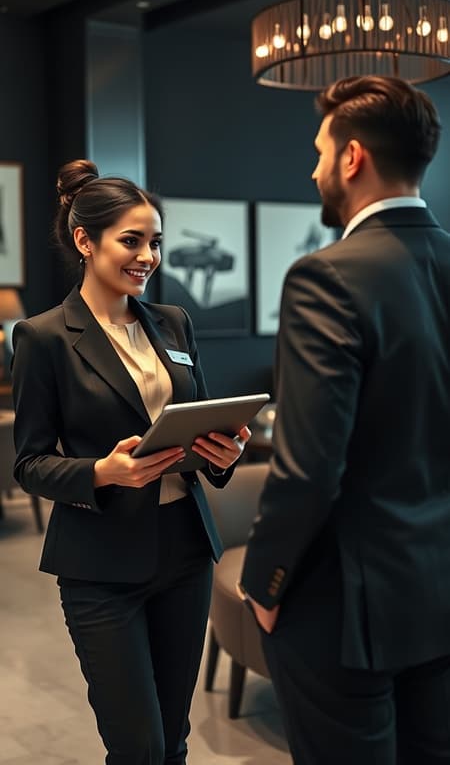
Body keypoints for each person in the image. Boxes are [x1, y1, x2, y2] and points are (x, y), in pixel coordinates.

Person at [239, 75, 450, 765]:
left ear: (352, 158)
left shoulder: (325, 276)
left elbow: (307, 468)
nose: (314, 167)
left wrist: (264, 585)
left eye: (320, 150)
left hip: (347, 605)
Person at [12, 159, 250, 765]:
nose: (148, 255)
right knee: (138, 747)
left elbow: (201, 426)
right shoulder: (43, 338)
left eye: (156, 242)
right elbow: (29, 463)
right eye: (132, 240)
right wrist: (100, 472)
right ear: (84, 241)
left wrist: (225, 454)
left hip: (186, 553)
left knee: (173, 740)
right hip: (100, 565)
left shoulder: (174, 322)